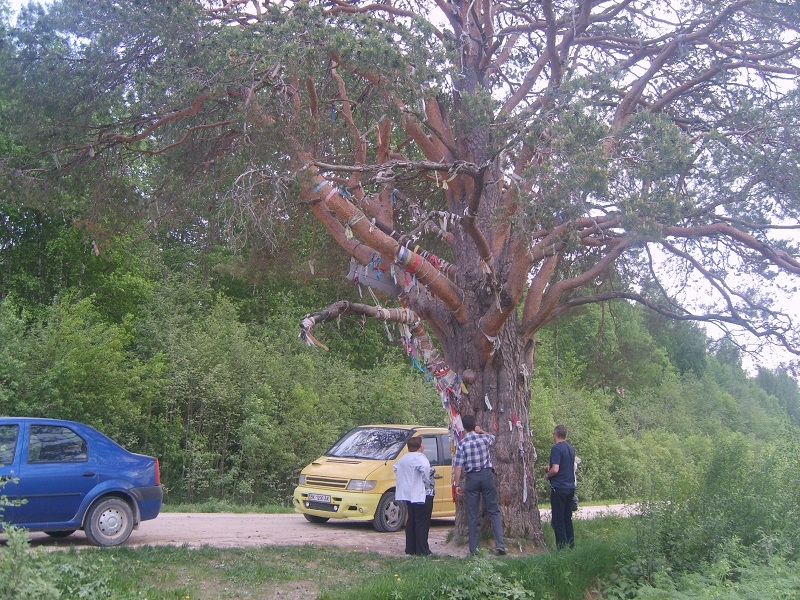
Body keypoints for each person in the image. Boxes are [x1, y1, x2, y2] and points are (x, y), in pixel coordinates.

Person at [452, 414, 507, 555]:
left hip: (472, 478)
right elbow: (493, 438)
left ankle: (474, 549)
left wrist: (456, 484)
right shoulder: (483, 438)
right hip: (487, 475)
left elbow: (458, 467)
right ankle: (500, 544)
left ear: (464, 427)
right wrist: (482, 430)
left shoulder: (462, 443)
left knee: (472, 514)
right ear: (474, 425)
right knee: (493, 510)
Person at [393, 436, 434, 555]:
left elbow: (395, 468)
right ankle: (423, 550)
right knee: (422, 522)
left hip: (408, 494)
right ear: (420, 446)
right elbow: (425, 469)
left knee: (412, 521)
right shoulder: (420, 458)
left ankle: (410, 548)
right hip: (422, 493)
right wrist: (426, 482)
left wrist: (405, 480)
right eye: (423, 443)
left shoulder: (403, 459)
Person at [543, 424, 576, 549]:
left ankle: (561, 548)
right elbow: (565, 466)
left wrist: (547, 474)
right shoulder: (571, 449)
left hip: (559, 487)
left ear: (555, 435)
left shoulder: (556, 448)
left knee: (558, 520)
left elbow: (556, 469)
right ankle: (571, 546)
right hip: (570, 486)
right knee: (567, 518)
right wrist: (549, 467)